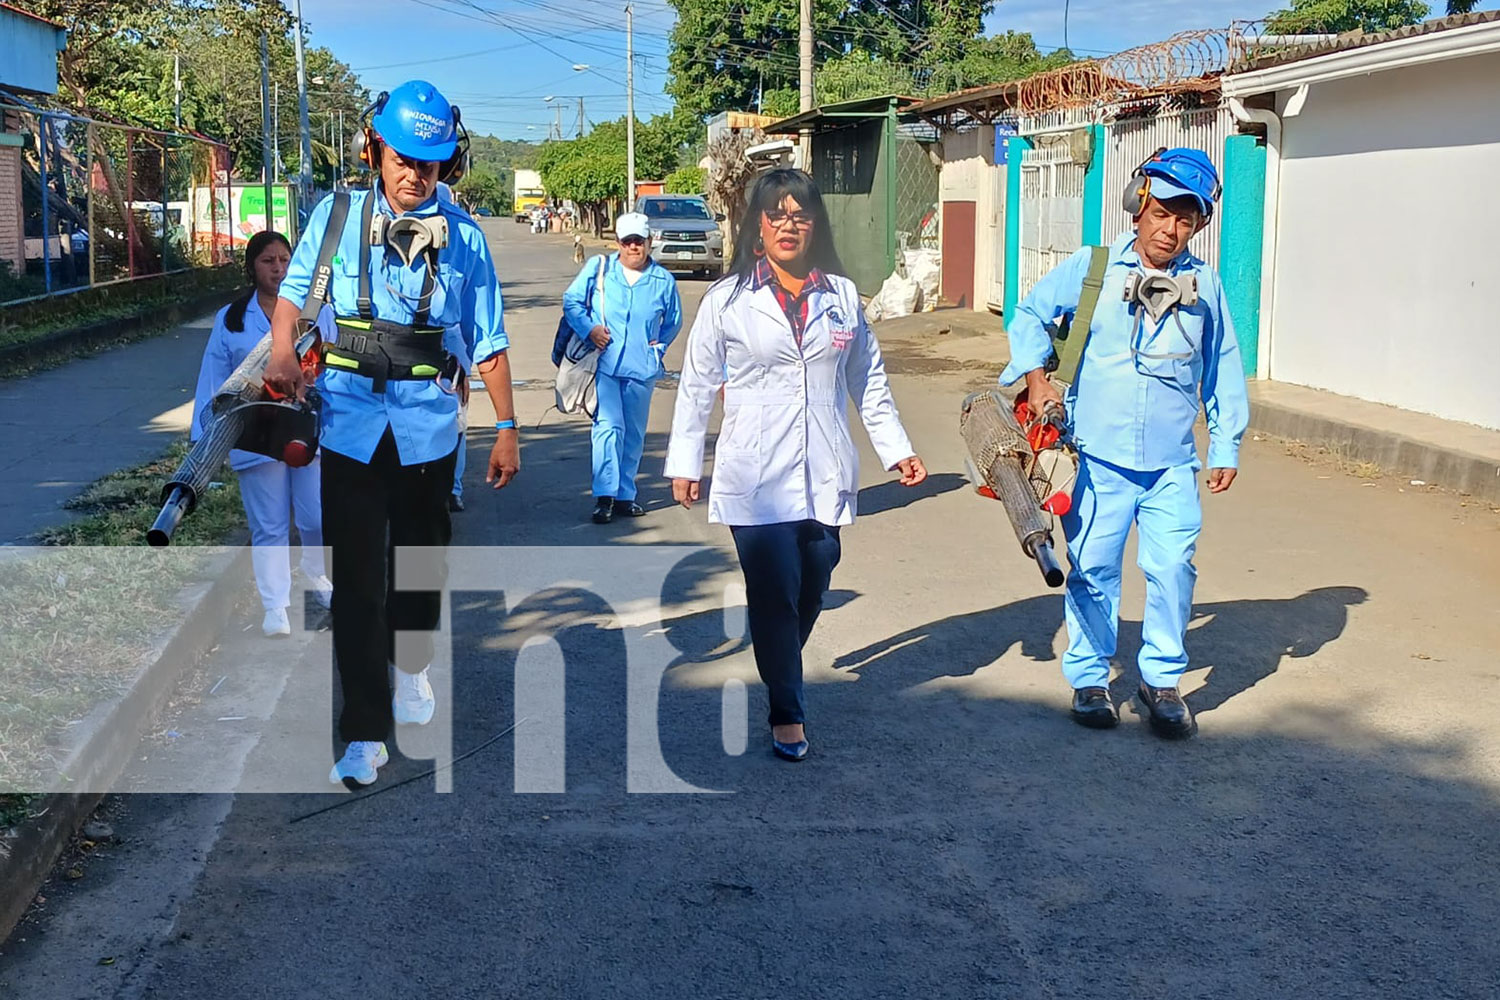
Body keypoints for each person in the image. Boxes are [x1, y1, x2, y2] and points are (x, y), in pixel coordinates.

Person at [263, 80, 521, 788]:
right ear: (374, 149)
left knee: (418, 571)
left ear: (449, 168)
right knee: (357, 585)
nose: (414, 174)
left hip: (429, 433)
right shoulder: (337, 216)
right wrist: (284, 347)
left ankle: (412, 668)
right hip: (348, 424)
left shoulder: (466, 239)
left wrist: (506, 426)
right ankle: (363, 730)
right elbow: (293, 295)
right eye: (402, 158)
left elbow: (489, 341)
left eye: (430, 164)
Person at [665, 168, 927, 762]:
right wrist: (686, 461)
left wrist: (898, 449)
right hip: (753, 477)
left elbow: (869, 383)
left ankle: (777, 654)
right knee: (776, 590)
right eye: (776, 214)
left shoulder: (841, 297)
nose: (789, 224)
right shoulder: (727, 300)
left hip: (823, 470)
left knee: (813, 578)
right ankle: (788, 709)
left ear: (815, 224)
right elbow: (698, 384)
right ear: (757, 225)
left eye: (800, 214)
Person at [998, 147, 1250, 739]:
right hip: (1098, 457)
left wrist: (1226, 444)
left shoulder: (1205, 286)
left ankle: (1160, 680)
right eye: (1162, 213)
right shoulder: (1094, 269)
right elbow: (1030, 314)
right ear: (1138, 207)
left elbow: (1223, 366)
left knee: (1173, 569)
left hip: (1171, 465)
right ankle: (1089, 678)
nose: (1172, 229)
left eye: (1186, 219)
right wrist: (1037, 379)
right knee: (1093, 569)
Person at [191, 230, 335, 638]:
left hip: (305, 427)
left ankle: (318, 574)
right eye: (268, 261)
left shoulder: (316, 311)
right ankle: (276, 605)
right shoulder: (232, 318)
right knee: (269, 523)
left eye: (285, 260)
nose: (278, 268)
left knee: (315, 515)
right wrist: (206, 439)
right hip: (254, 430)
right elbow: (214, 378)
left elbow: (335, 363)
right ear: (252, 267)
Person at [564, 212, 683, 524]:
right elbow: (572, 302)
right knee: (608, 428)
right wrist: (589, 328)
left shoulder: (663, 281)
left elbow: (673, 321)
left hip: (641, 369)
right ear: (617, 243)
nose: (633, 247)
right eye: (627, 241)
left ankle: (625, 495)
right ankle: (604, 495)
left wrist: (657, 348)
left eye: (639, 241)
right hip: (604, 365)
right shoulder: (600, 270)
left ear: (649, 242)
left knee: (632, 434)